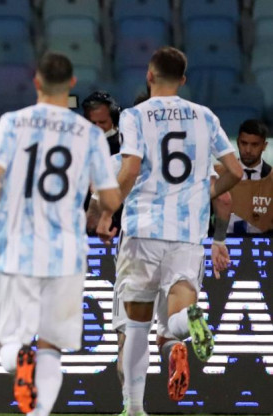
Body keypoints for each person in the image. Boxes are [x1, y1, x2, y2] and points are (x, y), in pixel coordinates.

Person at [96, 46, 243, 416]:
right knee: (176, 313)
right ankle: (190, 322)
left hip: (144, 231)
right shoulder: (204, 116)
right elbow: (237, 173)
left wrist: (107, 213)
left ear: (149, 75)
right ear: (183, 80)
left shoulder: (135, 116)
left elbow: (129, 171)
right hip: (187, 234)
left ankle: (134, 408)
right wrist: (205, 192)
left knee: (136, 326)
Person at [0, 52, 121, 416]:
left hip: (17, 247)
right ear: (72, 84)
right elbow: (110, 196)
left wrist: (0, 199)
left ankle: (18, 355)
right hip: (66, 253)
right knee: (52, 347)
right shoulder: (90, 134)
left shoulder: (13, 122)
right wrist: (103, 213)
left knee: (10, 343)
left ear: (37, 82)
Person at [87, 158, 232, 414]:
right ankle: (187, 322)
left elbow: (98, 201)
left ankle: (133, 407)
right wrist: (218, 240)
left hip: (139, 245)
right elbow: (225, 199)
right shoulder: (194, 150)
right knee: (169, 331)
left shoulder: (122, 159)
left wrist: (96, 221)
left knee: (131, 334)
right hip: (185, 243)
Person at [227, 119, 271, 234]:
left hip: (265, 247)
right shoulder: (220, 175)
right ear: (237, 142)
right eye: (244, 143)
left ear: (264, 146)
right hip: (225, 246)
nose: (248, 150)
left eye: (255, 144)